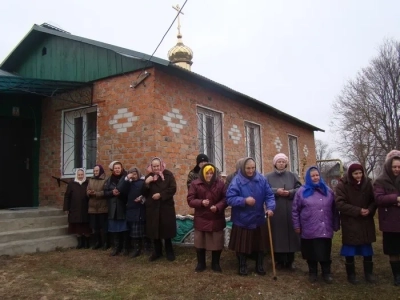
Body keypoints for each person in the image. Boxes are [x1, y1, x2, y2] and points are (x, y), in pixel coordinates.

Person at [226, 157, 275, 276]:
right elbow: (229, 198)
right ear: (243, 168)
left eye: (253, 168)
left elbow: (269, 195)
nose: (251, 171)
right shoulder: (236, 181)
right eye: (248, 168)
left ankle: (259, 266)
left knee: (259, 244)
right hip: (242, 218)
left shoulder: (262, 179)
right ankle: (242, 266)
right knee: (242, 245)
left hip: (258, 217)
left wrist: (270, 208)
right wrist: (244, 201)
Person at [292, 166, 340, 284]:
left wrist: (335, 223)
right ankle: (312, 272)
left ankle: (326, 272)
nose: (315, 178)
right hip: (309, 228)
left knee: (325, 252)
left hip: (325, 227)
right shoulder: (301, 192)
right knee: (311, 252)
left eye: (317, 175)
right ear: (308, 177)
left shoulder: (328, 191)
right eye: (312, 176)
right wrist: (297, 225)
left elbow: (334, 210)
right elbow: (295, 210)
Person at [335, 162, 377, 284]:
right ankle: (351, 275)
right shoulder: (342, 185)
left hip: (365, 221)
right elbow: (340, 203)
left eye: (360, 173)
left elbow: (374, 200)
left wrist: (370, 210)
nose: (358, 176)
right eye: (355, 173)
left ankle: (369, 274)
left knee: (367, 249)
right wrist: (358, 211)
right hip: (351, 221)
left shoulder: (368, 183)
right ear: (350, 174)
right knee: (350, 249)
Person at [187, 163, 228, 272]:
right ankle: (201, 263)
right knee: (200, 241)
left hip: (216, 217)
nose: (209, 175)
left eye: (211, 173)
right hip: (201, 217)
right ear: (203, 174)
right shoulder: (195, 184)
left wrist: (218, 207)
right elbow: (190, 200)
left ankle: (215, 263)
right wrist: (201, 202)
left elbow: (226, 199)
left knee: (217, 241)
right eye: (207, 173)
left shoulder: (220, 184)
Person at [265, 153, 302, 270]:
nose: (281, 164)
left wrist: (290, 192)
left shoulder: (293, 176)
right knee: (278, 235)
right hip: (275, 210)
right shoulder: (267, 177)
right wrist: (277, 191)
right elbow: (265, 189)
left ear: (286, 163)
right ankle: (279, 261)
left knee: (290, 235)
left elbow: (300, 189)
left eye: (283, 162)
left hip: (290, 209)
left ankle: (290, 261)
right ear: (275, 163)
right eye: (279, 162)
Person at [142, 157, 177, 261]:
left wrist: (161, 195)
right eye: (154, 166)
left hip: (166, 207)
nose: (156, 168)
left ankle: (169, 252)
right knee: (154, 230)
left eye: (158, 166)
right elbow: (143, 193)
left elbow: (173, 189)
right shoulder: (149, 177)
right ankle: (157, 252)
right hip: (153, 208)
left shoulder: (168, 175)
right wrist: (146, 183)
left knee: (166, 230)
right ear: (151, 167)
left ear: (161, 165)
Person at [373, 150, 400, 286]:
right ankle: (397, 276)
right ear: (389, 166)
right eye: (394, 167)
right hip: (390, 222)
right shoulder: (381, 181)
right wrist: (396, 198)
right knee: (393, 250)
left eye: (399, 167)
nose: (396, 169)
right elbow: (379, 198)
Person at [117, 166, 151, 258]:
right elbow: (120, 189)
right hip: (131, 209)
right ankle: (136, 249)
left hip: (141, 208)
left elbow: (147, 193)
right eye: (132, 174)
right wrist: (127, 179)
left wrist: (142, 198)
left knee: (143, 231)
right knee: (134, 231)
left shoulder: (142, 182)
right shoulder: (128, 183)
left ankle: (147, 248)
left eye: (135, 174)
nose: (134, 176)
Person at [104, 161, 128, 256]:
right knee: (114, 229)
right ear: (113, 170)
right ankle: (116, 247)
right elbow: (105, 193)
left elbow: (129, 191)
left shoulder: (125, 179)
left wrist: (121, 193)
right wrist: (111, 193)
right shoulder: (109, 180)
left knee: (124, 229)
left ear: (121, 169)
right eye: (115, 168)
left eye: (119, 168)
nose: (117, 170)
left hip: (123, 207)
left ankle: (125, 248)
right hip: (113, 208)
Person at [63, 168, 91, 249]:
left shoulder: (87, 183)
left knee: (86, 226)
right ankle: (80, 243)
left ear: (84, 175)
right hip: (75, 208)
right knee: (78, 226)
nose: (80, 176)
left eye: (82, 174)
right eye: (79, 175)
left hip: (86, 208)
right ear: (76, 175)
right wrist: (66, 208)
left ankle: (87, 243)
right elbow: (67, 196)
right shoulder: (72, 183)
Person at [87, 164, 109, 250]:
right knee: (95, 227)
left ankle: (105, 243)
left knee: (103, 227)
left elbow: (106, 192)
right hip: (92, 207)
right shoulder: (91, 180)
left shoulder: (105, 179)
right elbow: (87, 190)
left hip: (102, 207)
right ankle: (97, 243)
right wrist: (89, 192)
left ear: (101, 171)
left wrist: (96, 194)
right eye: (94, 171)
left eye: (97, 171)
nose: (96, 172)